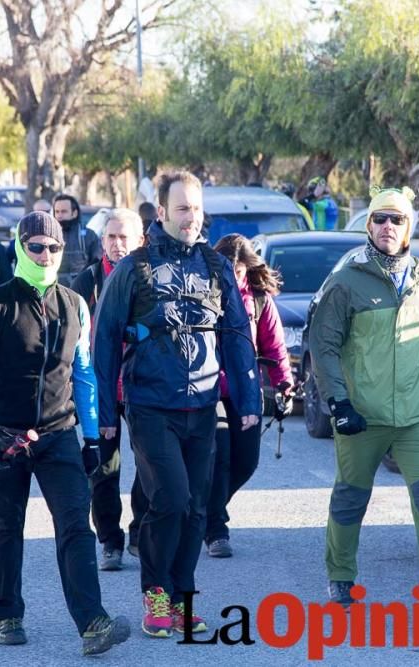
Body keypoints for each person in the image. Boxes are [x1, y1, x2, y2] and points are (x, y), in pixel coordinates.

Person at [93, 172, 261, 638]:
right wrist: (106, 416)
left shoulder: (216, 265)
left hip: (203, 407)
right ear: (162, 212)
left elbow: (236, 337)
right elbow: (104, 343)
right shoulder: (134, 268)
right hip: (149, 406)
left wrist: (248, 398)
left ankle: (183, 597)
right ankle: (156, 594)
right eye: (182, 209)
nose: (191, 217)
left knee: (197, 508)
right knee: (170, 499)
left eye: (197, 208)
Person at [0, 211, 130, 654]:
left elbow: (86, 374)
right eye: (36, 246)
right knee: (3, 527)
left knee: (76, 525)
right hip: (7, 437)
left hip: (59, 435)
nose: (45, 254)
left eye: (53, 247)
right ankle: (8, 615)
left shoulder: (75, 304)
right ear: (19, 247)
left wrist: (93, 438)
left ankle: (93, 623)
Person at [309, 185, 419, 605]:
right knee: (351, 496)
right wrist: (338, 402)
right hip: (361, 414)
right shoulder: (346, 281)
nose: (388, 226)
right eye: (380, 218)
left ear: (409, 228)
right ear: (369, 225)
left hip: (416, 417)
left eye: (397, 219)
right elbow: (323, 346)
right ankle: (340, 574)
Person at [204, 233, 294, 558]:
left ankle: (203, 510)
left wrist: (284, 382)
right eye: (229, 268)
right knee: (220, 458)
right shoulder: (203, 295)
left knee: (246, 461)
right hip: (208, 390)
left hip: (246, 391)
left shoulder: (258, 300)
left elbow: (274, 345)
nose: (234, 276)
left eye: (240, 270)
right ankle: (216, 528)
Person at [71, 208, 146, 571]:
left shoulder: (150, 280)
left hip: (142, 388)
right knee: (103, 469)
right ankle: (109, 541)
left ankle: (140, 533)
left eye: (124, 238)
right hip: (99, 389)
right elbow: (71, 339)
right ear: (103, 242)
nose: (117, 245)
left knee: (150, 467)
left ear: (139, 242)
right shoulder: (86, 283)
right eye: (111, 238)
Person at [52, 194, 101, 286]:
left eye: (64, 212)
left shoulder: (88, 236)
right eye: (57, 212)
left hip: (81, 289)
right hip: (54, 288)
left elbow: (97, 263)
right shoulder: (49, 236)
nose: (59, 215)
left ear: (74, 213)